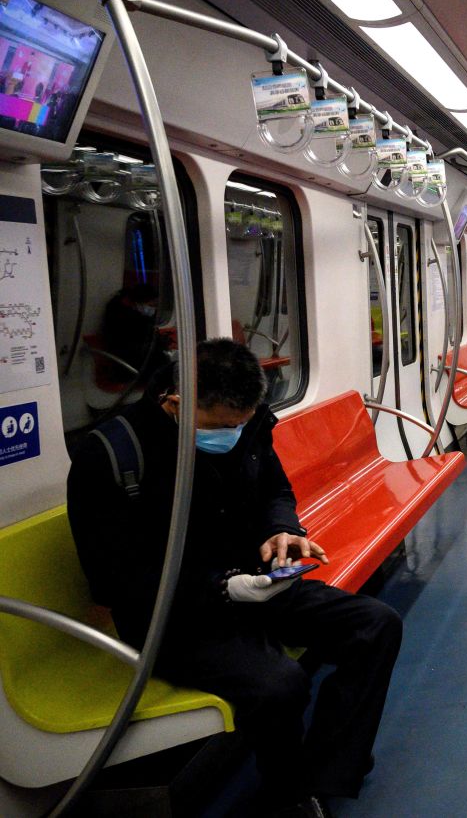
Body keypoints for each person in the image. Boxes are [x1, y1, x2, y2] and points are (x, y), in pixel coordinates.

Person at [67, 339, 402, 818]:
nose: (234, 434)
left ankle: (328, 770)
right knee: (279, 685)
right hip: (174, 615)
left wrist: (282, 530)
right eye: (222, 426)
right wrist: (222, 587)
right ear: (178, 401)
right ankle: (289, 794)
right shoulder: (113, 457)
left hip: (259, 584)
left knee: (375, 625)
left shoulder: (247, 425)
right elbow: (113, 580)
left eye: (242, 424)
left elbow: (274, 488)